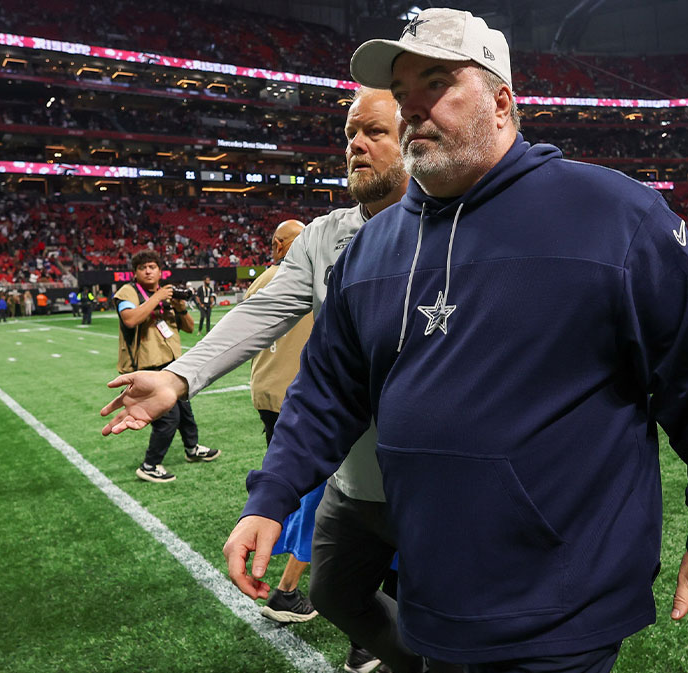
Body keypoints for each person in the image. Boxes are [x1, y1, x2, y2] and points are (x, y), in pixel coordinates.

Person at [222, 8, 688, 668]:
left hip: (563, 604)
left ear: (503, 100)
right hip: (432, 589)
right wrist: (271, 495)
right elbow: (328, 388)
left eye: (437, 84)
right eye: (403, 93)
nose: (414, 108)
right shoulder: (372, 249)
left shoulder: (615, 217)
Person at [100, 88, 416, 672]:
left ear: (415, 138)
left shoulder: (453, 226)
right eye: (349, 134)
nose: (355, 145)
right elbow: (263, 312)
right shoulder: (326, 235)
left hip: (430, 476)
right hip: (353, 470)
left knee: (441, 610)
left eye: (374, 132)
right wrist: (178, 377)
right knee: (332, 593)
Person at [242, 219, 322, 625]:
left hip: (269, 394)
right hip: (303, 400)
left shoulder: (265, 279)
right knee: (319, 496)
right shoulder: (310, 273)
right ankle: (287, 588)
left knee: (292, 484)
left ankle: (273, 527)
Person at [113, 251, 218, 483]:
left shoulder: (168, 294)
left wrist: (179, 305)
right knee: (167, 418)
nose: (148, 271)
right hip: (147, 367)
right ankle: (150, 464)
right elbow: (130, 319)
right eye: (143, 268)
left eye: (152, 266)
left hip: (174, 363)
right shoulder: (128, 292)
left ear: (161, 271)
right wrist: (158, 297)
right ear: (135, 272)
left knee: (185, 410)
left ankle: (192, 448)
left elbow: (189, 328)